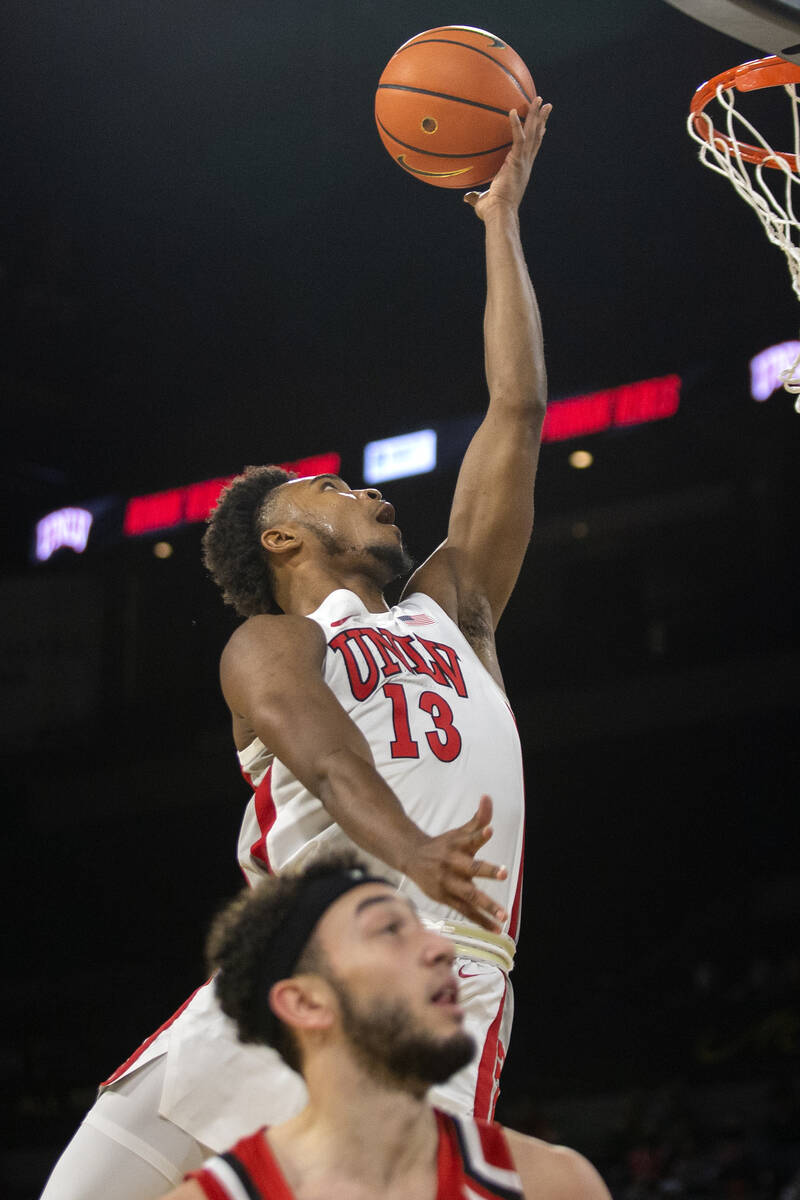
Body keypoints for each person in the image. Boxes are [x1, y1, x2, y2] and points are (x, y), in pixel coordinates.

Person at [40, 97, 552, 1199]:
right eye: (334, 488)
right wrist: (412, 852)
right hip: (291, 965)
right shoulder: (272, 644)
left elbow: (512, 409)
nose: (369, 491)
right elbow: (329, 762)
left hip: (441, 977)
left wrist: (498, 221)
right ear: (281, 537)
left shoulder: (450, 609)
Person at [162, 852, 611, 1200]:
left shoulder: (554, 1184)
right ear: (304, 1001)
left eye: (424, 928)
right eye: (389, 930)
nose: (440, 949)